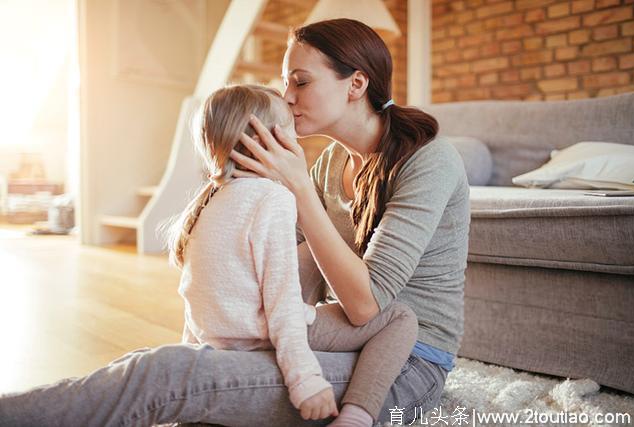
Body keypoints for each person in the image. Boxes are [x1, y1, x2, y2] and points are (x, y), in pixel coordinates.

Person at [0, 18, 469, 427]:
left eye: (301, 82)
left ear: (356, 84)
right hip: (334, 337)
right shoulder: (329, 164)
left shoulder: (428, 162)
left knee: (166, 376)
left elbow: (369, 308)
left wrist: (299, 190)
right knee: (169, 365)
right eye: (286, 82)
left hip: (403, 363)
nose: (286, 97)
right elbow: (276, 263)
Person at [166, 83, 418, 426]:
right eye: (287, 127)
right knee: (401, 319)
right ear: (265, 140)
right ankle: (357, 417)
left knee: (313, 258)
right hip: (253, 334)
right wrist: (306, 383)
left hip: (215, 332)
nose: (296, 132)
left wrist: (192, 365)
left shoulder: (209, 201)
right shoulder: (274, 199)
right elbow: (281, 304)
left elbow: (195, 292)